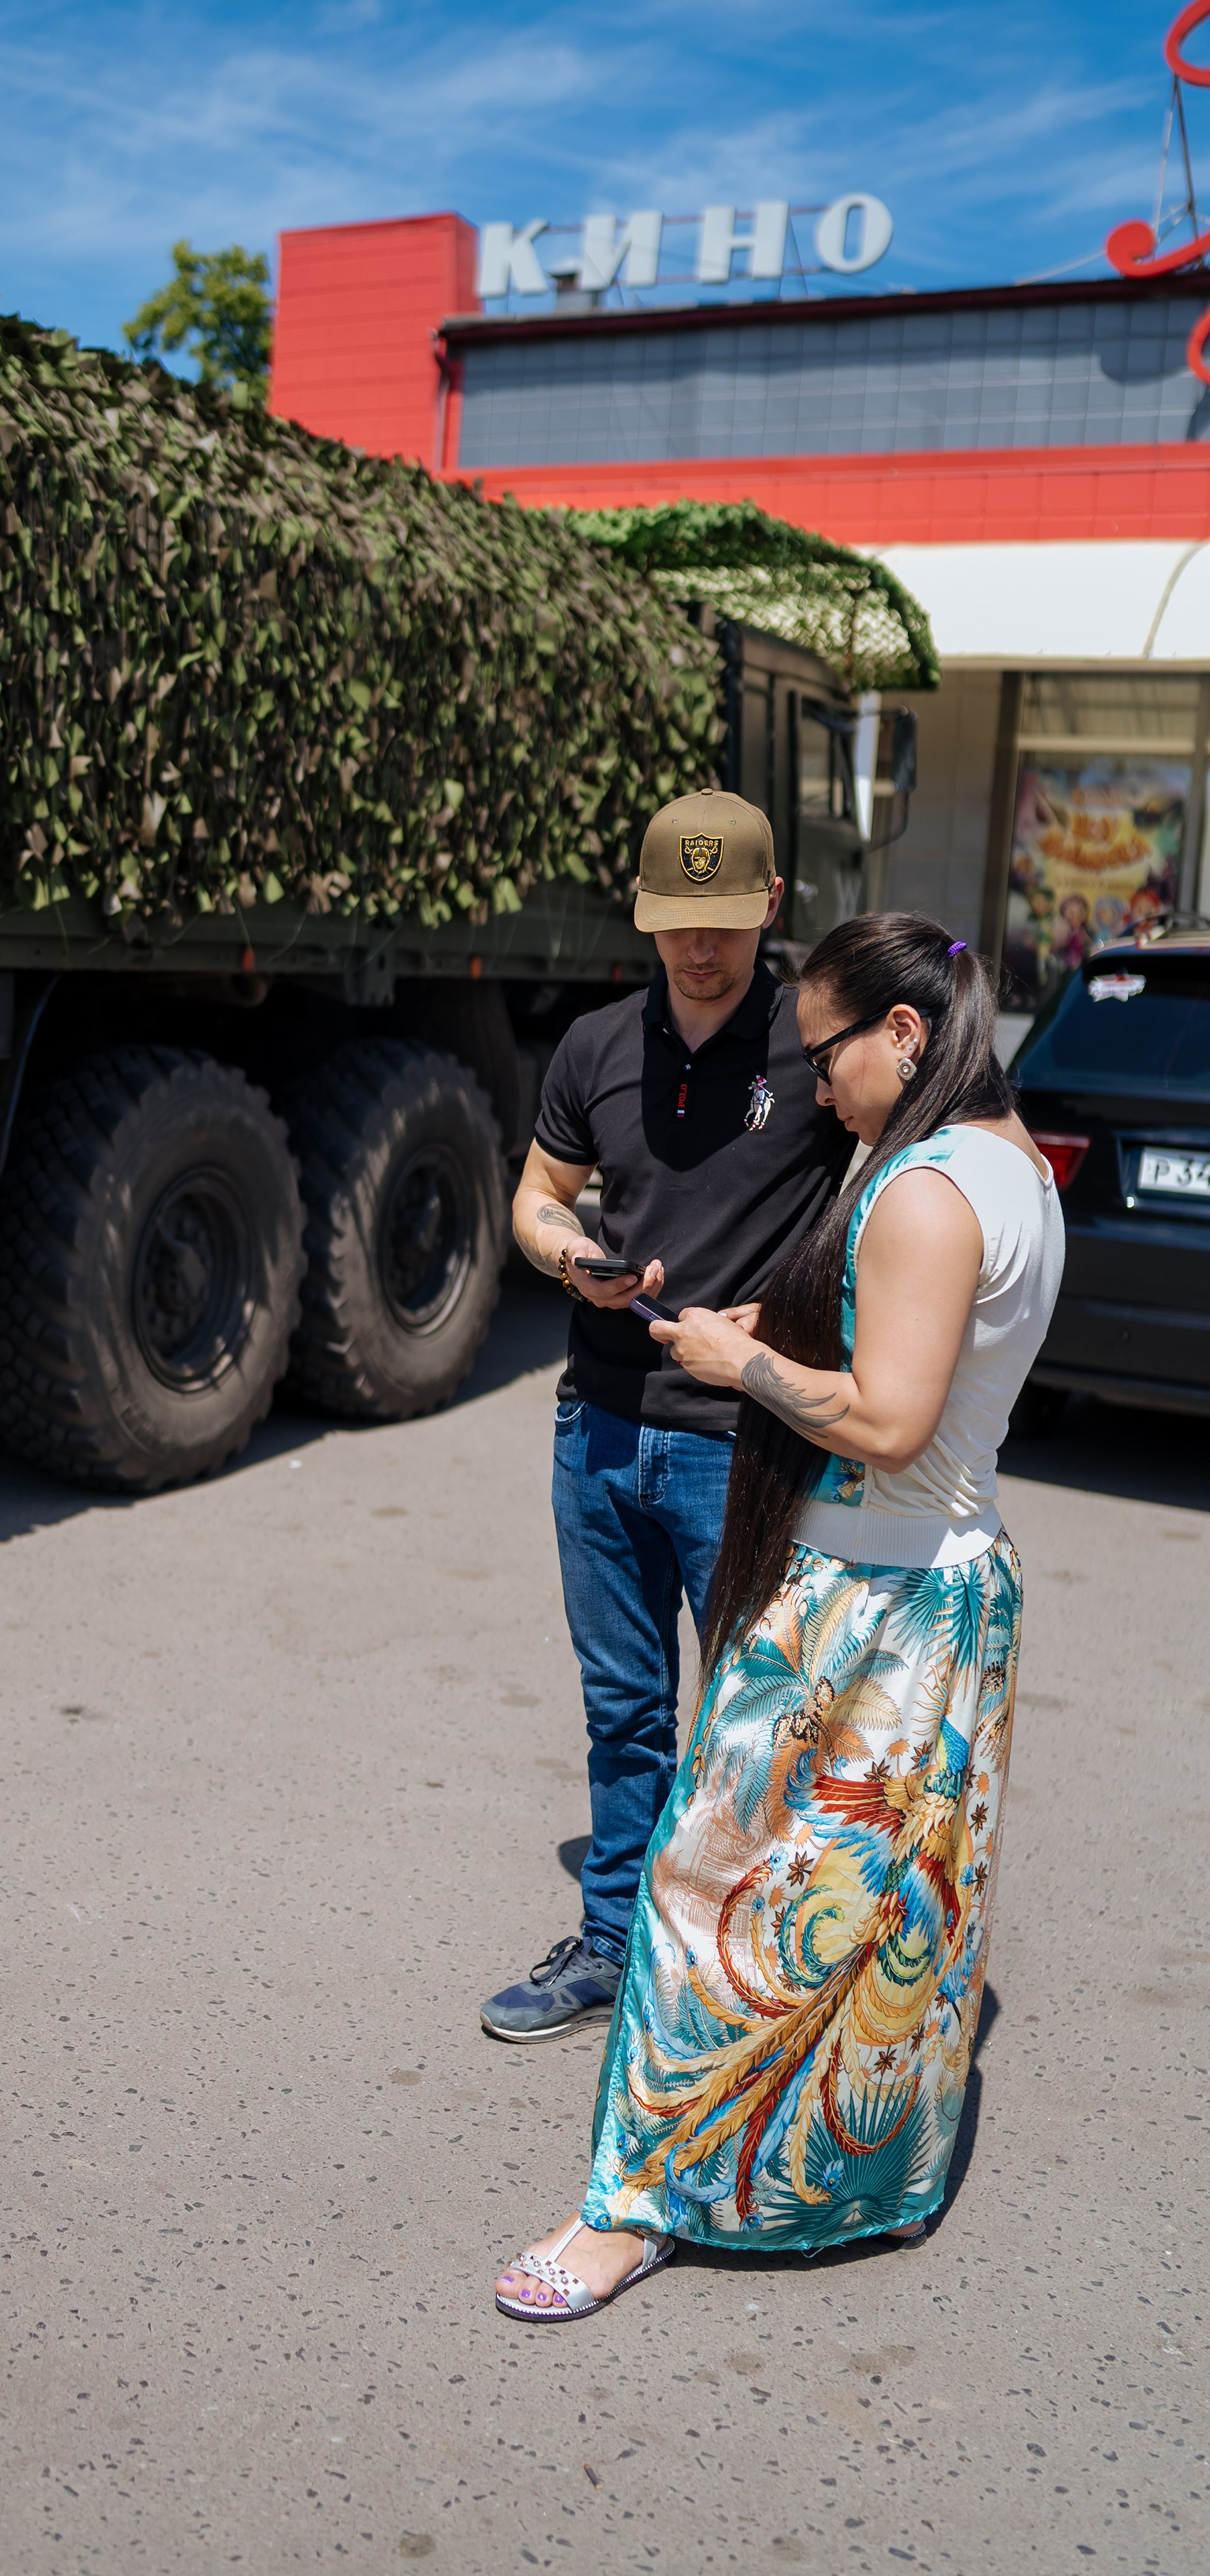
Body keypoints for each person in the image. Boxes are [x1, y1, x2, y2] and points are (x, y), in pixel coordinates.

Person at [495, 914, 1064, 2320]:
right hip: (951, 1585)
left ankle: (626, 2214)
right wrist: (781, 1316)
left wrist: (742, 1359)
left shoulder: (926, 1188)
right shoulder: (1011, 1164)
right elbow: (903, 1350)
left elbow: (880, 1417)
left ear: (903, 1034)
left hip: (868, 1602)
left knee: (703, 1898)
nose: (815, 1084)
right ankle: (857, 2178)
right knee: (888, 1924)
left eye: (827, 1054)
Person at [482, 790, 853, 2043]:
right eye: (676, 926)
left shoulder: (818, 1045)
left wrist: (803, 1316)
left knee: (756, 1710)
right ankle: (610, 1941)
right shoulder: (596, 1045)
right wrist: (561, 1250)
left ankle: (744, 1968)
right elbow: (536, 1194)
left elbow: (901, 1193)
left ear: (772, 908)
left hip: (737, 1439)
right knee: (624, 1705)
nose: (699, 951)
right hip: (596, 1422)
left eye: (725, 924)